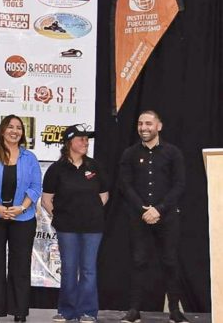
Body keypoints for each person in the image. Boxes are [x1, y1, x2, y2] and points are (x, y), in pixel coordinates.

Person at [119, 111, 189, 323]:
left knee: (170, 262)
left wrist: (159, 209)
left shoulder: (173, 153)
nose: (143, 127)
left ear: (159, 126)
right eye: (140, 124)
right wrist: (143, 210)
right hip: (138, 218)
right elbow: (125, 185)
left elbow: (179, 185)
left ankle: (175, 311)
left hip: (167, 217)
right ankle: (134, 310)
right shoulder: (129, 154)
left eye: (148, 123)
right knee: (138, 261)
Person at [0, 115, 41, 322]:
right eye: (10, 127)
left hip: (23, 218)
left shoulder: (29, 158)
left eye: (19, 128)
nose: (15, 131)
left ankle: (19, 311)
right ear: (2, 130)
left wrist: (21, 208)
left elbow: (35, 187)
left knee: (20, 265)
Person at [41, 124, 109, 323]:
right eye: (81, 139)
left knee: (88, 269)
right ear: (69, 142)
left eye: (87, 139)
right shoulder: (56, 169)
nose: (85, 142)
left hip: (93, 227)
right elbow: (46, 200)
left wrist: (90, 212)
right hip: (67, 228)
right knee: (69, 268)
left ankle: (88, 311)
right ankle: (66, 310)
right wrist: (61, 217)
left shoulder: (95, 166)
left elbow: (104, 195)